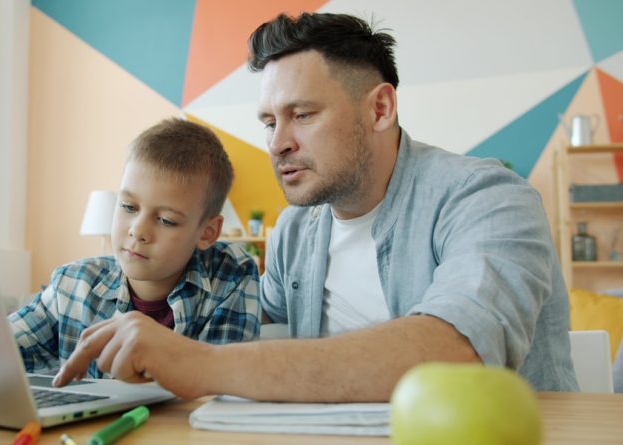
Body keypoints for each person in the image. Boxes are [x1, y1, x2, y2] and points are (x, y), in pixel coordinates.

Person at [52, 12, 578, 400]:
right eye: (268, 122)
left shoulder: (489, 198)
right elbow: (250, 325)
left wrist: (202, 364)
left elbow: (455, 351)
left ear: (380, 108)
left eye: (302, 114)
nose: (277, 144)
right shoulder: (295, 231)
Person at [9, 118, 261, 378]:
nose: (138, 231)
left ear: (207, 232)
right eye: (128, 207)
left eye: (166, 220)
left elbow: (226, 382)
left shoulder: (231, 277)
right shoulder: (72, 285)